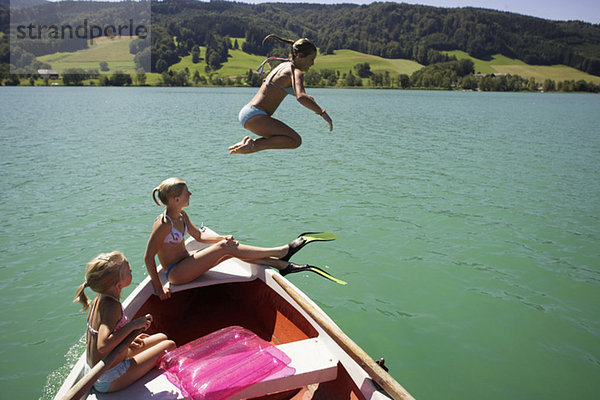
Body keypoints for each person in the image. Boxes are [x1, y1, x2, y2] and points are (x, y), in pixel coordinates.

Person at [144, 177, 328, 300]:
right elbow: (148, 257)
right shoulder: (163, 224)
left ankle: (280, 264)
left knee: (227, 250)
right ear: (176, 199)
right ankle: (282, 252)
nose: (190, 194)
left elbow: (198, 235)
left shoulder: (181, 214)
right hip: (176, 273)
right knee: (227, 248)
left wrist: (220, 237)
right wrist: (159, 287)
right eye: (186, 192)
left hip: (186, 263)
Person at [74, 251, 176, 393]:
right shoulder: (112, 306)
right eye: (128, 271)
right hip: (108, 377)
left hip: (99, 367)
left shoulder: (100, 299)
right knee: (169, 345)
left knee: (162, 337)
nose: (131, 271)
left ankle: (143, 366)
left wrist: (129, 339)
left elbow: (106, 336)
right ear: (118, 285)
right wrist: (133, 326)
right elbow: (103, 345)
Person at [229, 34, 333, 154]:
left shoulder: (283, 66)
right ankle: (252, 146)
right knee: (294, 140)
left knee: (291, 139)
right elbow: (301, 97)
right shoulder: (295, 72)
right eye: (311, 59)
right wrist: (322, 113)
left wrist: (311, 101)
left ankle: (248, 144)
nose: (312, 64)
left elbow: (293, 93)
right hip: (256, 116)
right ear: (299, 56)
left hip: (249, 112)